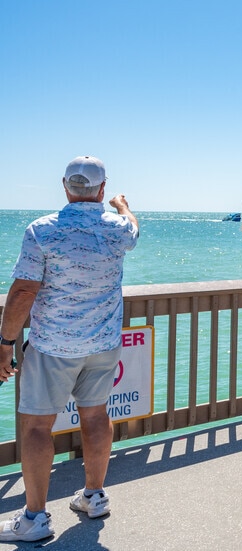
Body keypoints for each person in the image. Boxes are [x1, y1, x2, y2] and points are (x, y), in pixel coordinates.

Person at [0, 156, 139, 542]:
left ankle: (34, 518)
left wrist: (4, 343)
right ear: (102, 189)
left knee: (36, 425)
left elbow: (25, 290)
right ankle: (93, 497)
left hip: (52, 346)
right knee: (95, 416)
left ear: (65, 187)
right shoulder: (118, 229)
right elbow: (133, 227)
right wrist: (123, 207)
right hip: (103, 344)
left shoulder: (41, 230)